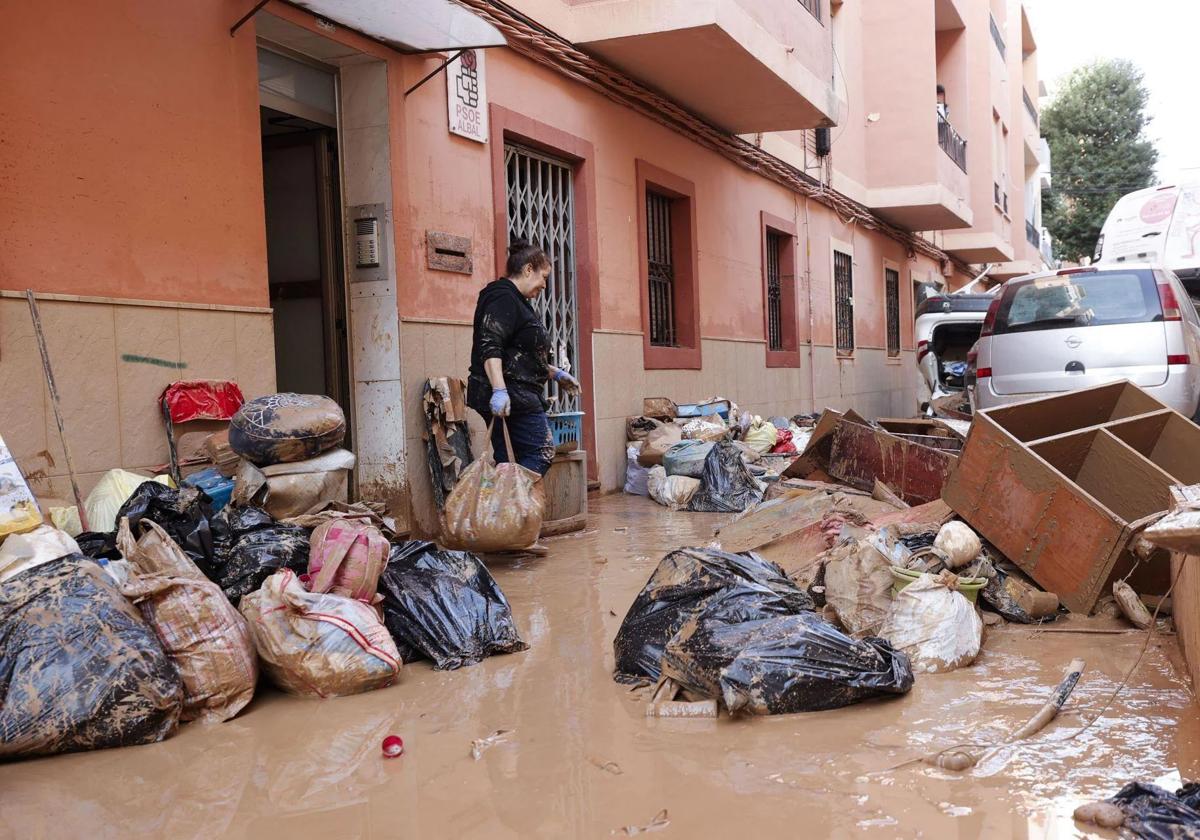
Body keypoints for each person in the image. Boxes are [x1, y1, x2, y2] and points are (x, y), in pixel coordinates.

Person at [467, 239, 581, 478]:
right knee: (541, 452)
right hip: (511, 394)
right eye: (544, 276)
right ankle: (509, 506)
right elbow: (490, 346)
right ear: (528, 269)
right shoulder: (502, 297)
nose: (545, 285)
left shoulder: (518, 301)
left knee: (511, 459)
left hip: (515, 392)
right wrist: (499, 390)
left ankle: (506, 510)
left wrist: (555, 373)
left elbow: (517, 353)